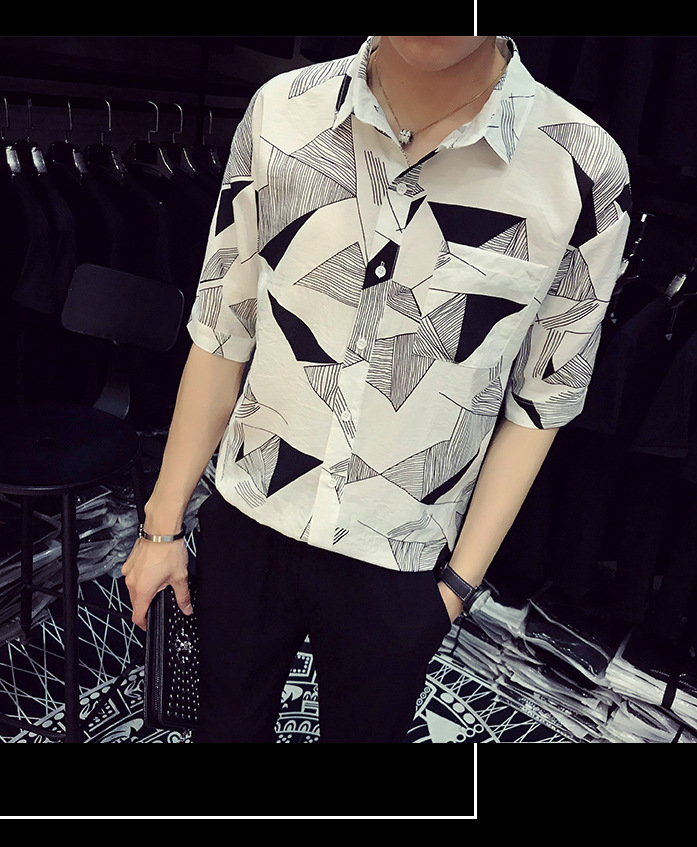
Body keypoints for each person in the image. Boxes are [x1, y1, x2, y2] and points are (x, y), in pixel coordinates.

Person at [122, 35, 631, 743]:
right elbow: (223, 327)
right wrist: (162, 524)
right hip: (249, 518)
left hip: (402, 560)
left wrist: (458, 586)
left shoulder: (581, 169)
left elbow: (542, 400)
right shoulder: (281, 112)